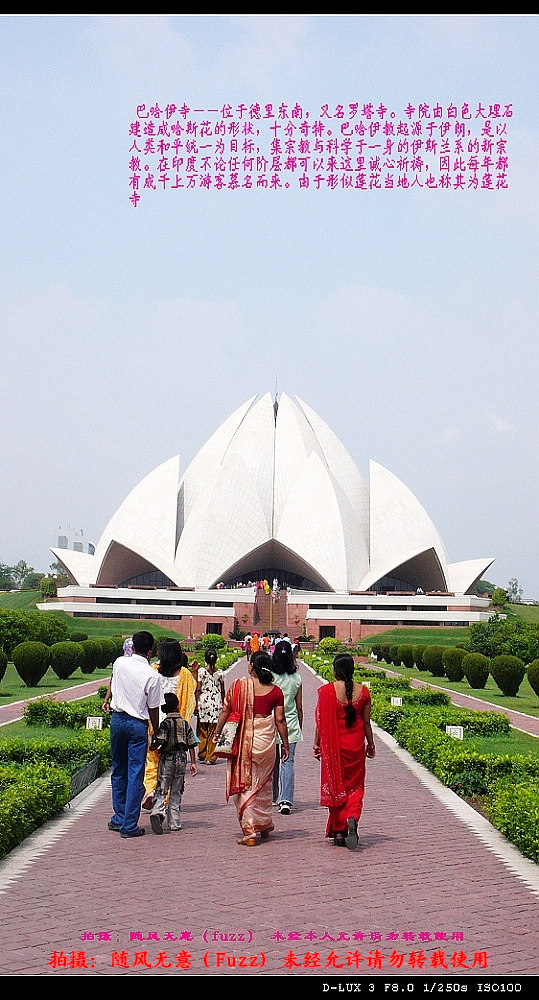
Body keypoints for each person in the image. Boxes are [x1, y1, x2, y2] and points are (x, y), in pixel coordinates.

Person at [214, 651, 289, 847]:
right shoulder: (275, 691)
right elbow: (280, 720)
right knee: (263, 783)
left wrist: (217, 732)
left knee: (245, 782)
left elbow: (225, 711)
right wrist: (286, 745)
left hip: (244, 742)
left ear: (251, 667)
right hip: (266, 743)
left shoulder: (239, 686)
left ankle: (250, 830)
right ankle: (263, 824)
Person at [313, 653, 375, 850]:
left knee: (336, 786)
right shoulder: (364, 693)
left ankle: (339, 831)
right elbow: (366, 723)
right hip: (355, 747)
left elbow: (320, 722)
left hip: (334, 748)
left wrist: (316, 744)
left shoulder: (327, 691)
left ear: (334, 671)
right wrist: (371, 745)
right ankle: (352, 816)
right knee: (355, 788)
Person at [108, 630, 162, 839]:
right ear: (150, 652)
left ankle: (119, 817)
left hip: (117, 720)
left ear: (132, 646)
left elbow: (114, 684)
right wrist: (156, 732)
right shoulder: (152, 675)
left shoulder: (120, 663)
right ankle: (129, 825)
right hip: (137, 725)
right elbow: (153, 708)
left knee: (118, 771)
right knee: (135, 775)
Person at [142, 637, 197, 809]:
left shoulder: (152, 670)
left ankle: (150, 790)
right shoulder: (185, 674)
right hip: (175, 727)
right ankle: (163, 800)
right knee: (171, 767)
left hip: (154, 724)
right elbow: (190, 701)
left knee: (152, 761)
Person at [149, 692, 197, 834]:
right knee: (177, 789)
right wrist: (193, 762)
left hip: (167, 758)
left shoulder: (165, 724)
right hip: (182, 757)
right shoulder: (184, 723)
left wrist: (152, 745)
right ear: (177, 706)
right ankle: (174, 822)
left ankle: (157, 811)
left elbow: (161, 741)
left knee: (162, 787)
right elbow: (191, 743)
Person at [271, 640, 303, 815]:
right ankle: (285, 800)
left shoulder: (270, 677)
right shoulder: (296, 678)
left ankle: (273, 796)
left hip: (272, 724)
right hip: (290, 725)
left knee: (272, 763)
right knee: (287, 761)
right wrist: (300, 726)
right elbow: (299, 707)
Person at [195, 648, 225, 765]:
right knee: (214, 732)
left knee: (202, 730)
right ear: (216, 659)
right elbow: (222, 691)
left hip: (204, 704)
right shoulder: (220, 673)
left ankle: (202, 753)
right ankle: (210, 757)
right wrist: (224, 704)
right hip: (216, 705)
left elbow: (198, 689)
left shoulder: (201, 672)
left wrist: (196, 703)